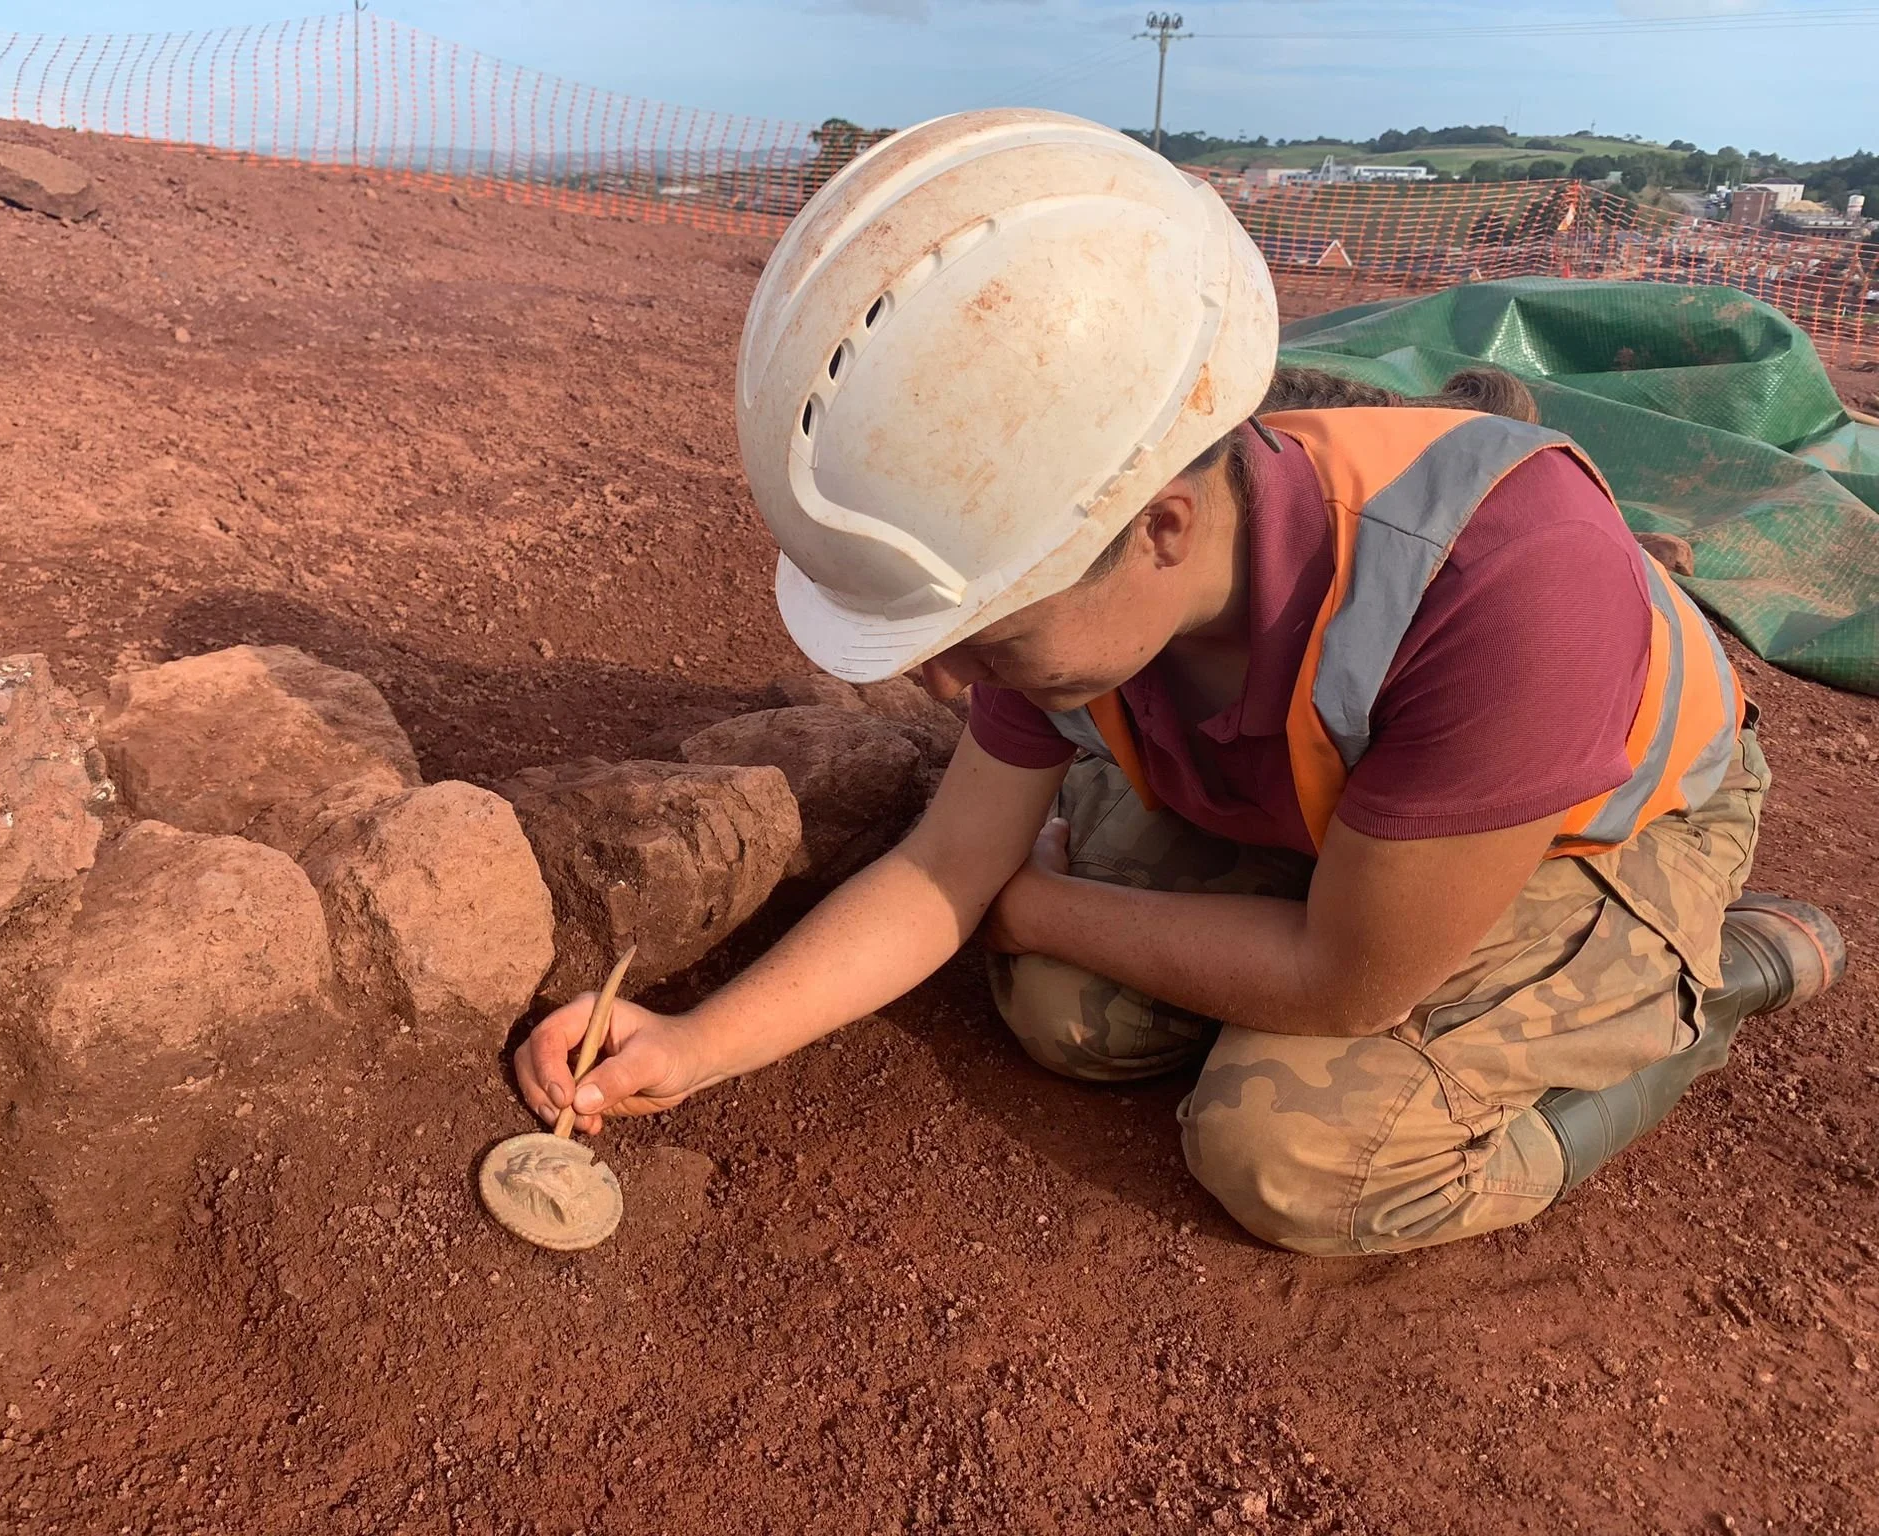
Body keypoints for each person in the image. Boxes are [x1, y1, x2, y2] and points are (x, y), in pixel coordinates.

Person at [513, 110, 1843, 1255]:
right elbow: (947, 870)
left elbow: (1343, 984)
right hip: (1347, 819)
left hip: (1595, 830)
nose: (943, 680)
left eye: (980, 637)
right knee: (1062, 1021)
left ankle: (1697, 990)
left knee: (1295, 1155)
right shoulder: (1075, 556)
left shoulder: (1503, 586)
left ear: (1160, 526)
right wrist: (689, 1046)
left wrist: (1030, 904)